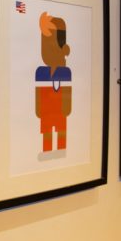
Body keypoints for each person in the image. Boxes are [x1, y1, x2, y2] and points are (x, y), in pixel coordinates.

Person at [35, 12, 72, 155]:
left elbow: (67, 92)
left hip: (61, 111)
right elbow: (39, 93)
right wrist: (39, 111)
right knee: (47, 133)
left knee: (61, 131)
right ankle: (47, 151)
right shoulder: (41, 72)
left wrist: (67, 109)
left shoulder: (66, 72)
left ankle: (61, 150)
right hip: (46, 111)